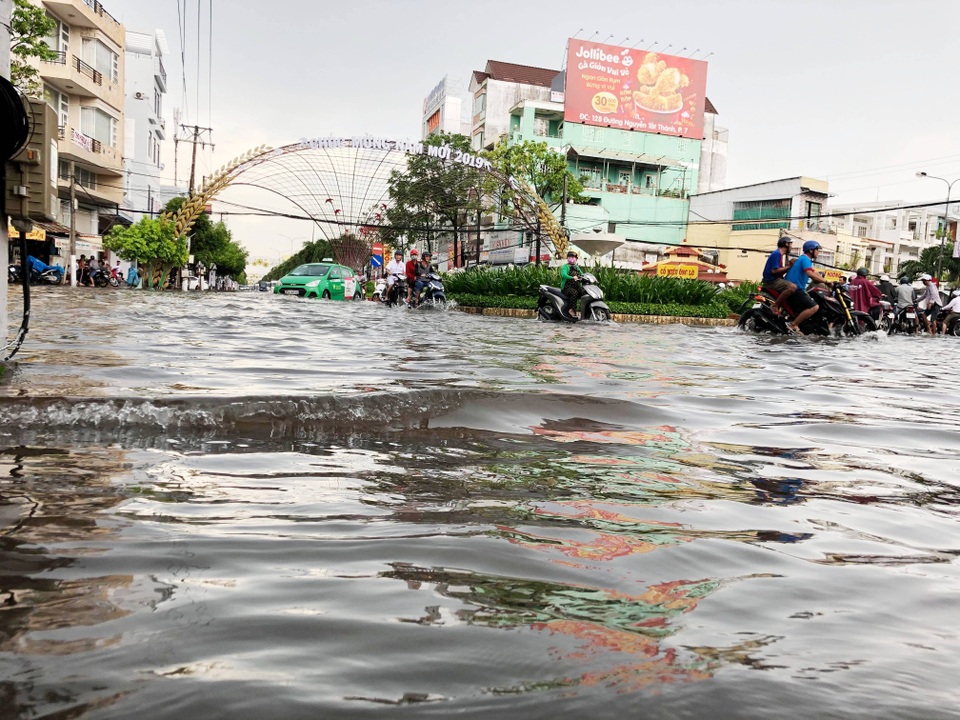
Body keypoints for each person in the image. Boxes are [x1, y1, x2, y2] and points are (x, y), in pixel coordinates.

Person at [783, 240, 830, 334]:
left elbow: (814, 273)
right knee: (814, 307)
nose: (818, 252)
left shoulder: (804, 260)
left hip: (796, 288)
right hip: (796, 289)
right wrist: (826, 281)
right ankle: (793, 325)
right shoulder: (805, 259)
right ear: (811, 250)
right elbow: (810, 273)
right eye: (817, 250)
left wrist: (830, 282)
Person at [760, 237, 796, 315]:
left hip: (774, 280)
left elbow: (779, 272)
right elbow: (774, 271)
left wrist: (787, 266)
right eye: (790, 244)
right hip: (772, 281)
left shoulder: (779, 255)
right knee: (792, 287)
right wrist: (789, 267)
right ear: (786, 244)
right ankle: (775, 305)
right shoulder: (777, 254)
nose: (791, 247)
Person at [560, 249, 584, 316]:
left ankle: (586, 310)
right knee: (574, 293)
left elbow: (582, 274)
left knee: (584, 292)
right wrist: (572, 277)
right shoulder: (565, 266)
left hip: (576, 286)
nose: (572, 259)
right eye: (570, 257)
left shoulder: (576, 267)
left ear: (576, 259)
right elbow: (564, 275)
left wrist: (588, 277)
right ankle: (572, 309)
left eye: (573, 257)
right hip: (567, 287)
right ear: (567, 258)